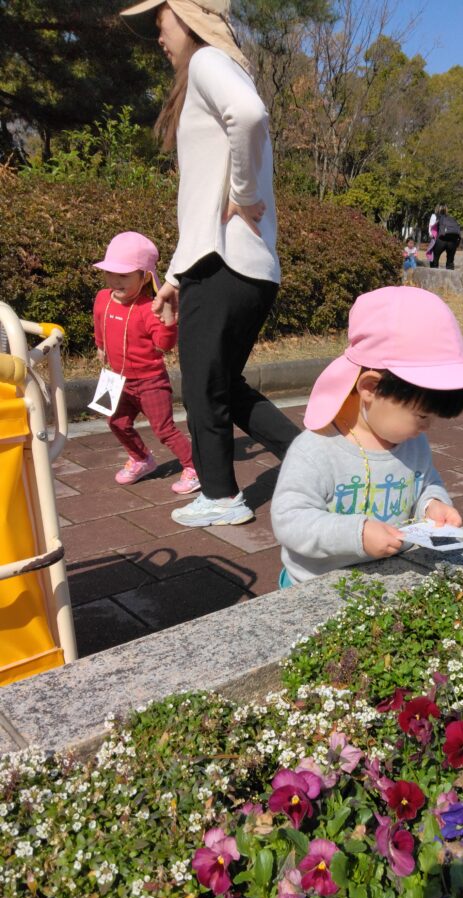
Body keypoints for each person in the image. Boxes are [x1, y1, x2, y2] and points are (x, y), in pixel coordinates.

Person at [119, 0, 300, 528]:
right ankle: (316, 461)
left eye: (161, 23)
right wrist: (176, 277)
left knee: (203, 388)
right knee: (222, 386)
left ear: (187, 15)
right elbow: (201, 205)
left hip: (224, 266)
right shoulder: (220, 67)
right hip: (238, 266)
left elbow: (249, 115)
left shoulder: (206, 61)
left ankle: (221, 497)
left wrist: (242, 193)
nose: (159, 37)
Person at [270, 286, 463, 586]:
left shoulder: (413, 443)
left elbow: (426, 482)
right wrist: (356, 533)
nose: (427, 427)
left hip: (388, 576)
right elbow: (290, 520)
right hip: (317, 583)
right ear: (371, 388)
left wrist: (432, 504)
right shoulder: (316, 450)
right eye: (421, 415)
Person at [93, 231, 200, 494]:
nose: (115, 281)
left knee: (164, 429)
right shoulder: (103, 298)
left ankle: (194, 467)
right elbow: (99, 322)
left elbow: (163, 345)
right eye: (110, 273)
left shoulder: (148, 308)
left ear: (145, 276)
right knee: (116, 422)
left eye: (124, 275)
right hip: (117, 379)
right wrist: (100, 346)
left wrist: (169, 320)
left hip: (150, 382)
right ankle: (142, 459)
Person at [432, 204, 462, 270]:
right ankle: (450, 275)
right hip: (452, 241)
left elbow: (431, 230)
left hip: (441, 240)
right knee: (450, 262)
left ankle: (433, 274)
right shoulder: (452, 218)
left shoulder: (435, 216)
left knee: (434, 260)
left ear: (437, 209)